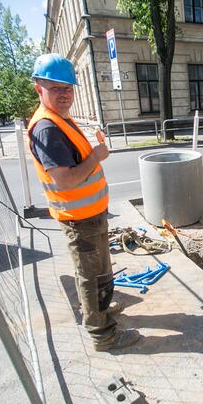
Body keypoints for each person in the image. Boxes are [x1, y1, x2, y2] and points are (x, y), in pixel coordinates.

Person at [27, 53, 140, 351]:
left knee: (100, 270)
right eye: (56, 88)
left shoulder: (60, 119)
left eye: (68, 88)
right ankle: (103, 334)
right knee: (90, 277)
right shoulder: (47, 129)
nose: (64, 94)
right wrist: (96, 156)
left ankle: (101, 312)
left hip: (91, 214)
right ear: (39, 88)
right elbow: (65, 180)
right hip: (79, 218)